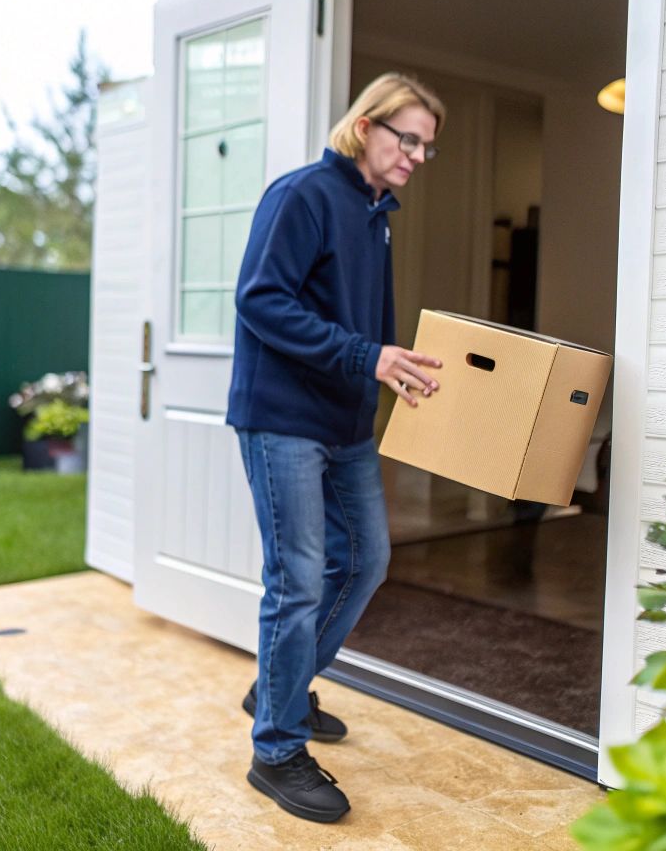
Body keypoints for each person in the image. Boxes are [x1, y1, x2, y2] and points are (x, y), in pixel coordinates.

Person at [226, 72, 447, 823]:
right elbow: (260, 299)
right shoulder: (303, 196)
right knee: (296, 582)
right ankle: (277, 749)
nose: (417, 155)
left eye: (427, 146)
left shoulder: (374, 214)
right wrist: (367, 358)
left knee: (366, 560)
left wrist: (390, 371)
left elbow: (369, 330)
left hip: (346, 423)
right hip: (282, 417)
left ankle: (278, 687)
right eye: (407, 138)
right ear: (366, 126)